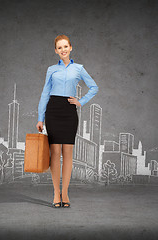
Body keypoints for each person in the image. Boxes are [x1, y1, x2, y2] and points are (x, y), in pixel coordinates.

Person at [36, 34, 99, 208]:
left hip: (69, 111)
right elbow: (44, 93)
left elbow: (94, 87)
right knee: (55, 153)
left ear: (71, 48)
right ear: (55, 51)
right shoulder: (51, 70)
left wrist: (81, 101)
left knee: (68, 153)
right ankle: (56, 193)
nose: (63, 50)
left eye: (66, 46)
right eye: (59, 47)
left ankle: (65, 193)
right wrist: (40, 118)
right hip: (53, 110)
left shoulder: (79, 68)